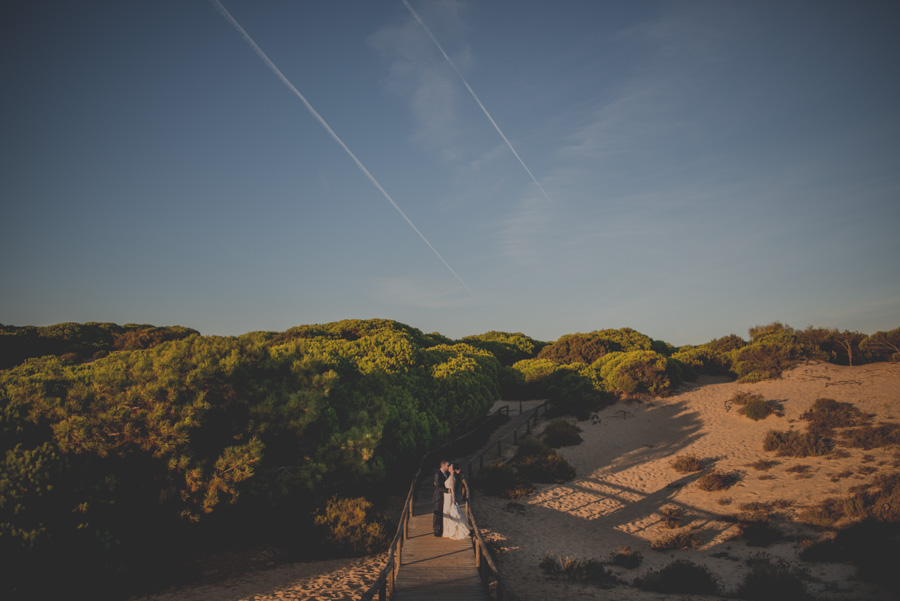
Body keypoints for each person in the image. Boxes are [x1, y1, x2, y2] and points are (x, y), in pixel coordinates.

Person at [442, 462, 471, 540]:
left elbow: (453, 490)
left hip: (449, 497)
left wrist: (454, 500)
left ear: (453, 470)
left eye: (450, 467)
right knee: (447, 513)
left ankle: (449, 531)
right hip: (447, 496)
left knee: (448, 512)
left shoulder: (452, 478)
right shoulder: (451, 476)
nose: (449, 467)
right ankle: (447, 531)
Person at [432, 459, 450, 537]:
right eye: (447, 465)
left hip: (444, 496)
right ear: (443, 466)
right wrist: (448, 491)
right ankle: (436, 529)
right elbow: (438, 486)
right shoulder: (438, 474)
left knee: (442, 512)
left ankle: (441, 528)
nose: (448, 467)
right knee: (437, 513)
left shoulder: (447, 473)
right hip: (438, 496)